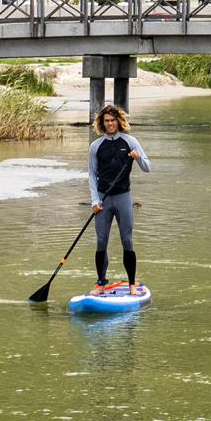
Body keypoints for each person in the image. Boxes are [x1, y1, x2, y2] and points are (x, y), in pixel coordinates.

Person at [88, 104, 151, 295]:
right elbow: (91, 175)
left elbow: (147, 167)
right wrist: (94, 201)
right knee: (101, 242)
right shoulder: (96, 146)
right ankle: (100, 285)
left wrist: (137, 157)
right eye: (106, 121)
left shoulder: (130, 141)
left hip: (123, 197)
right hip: (103, 200)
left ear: (119, 121)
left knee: (127, 241)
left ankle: (132, 286)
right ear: (102, 123)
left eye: (112, 121)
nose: (110, 124)